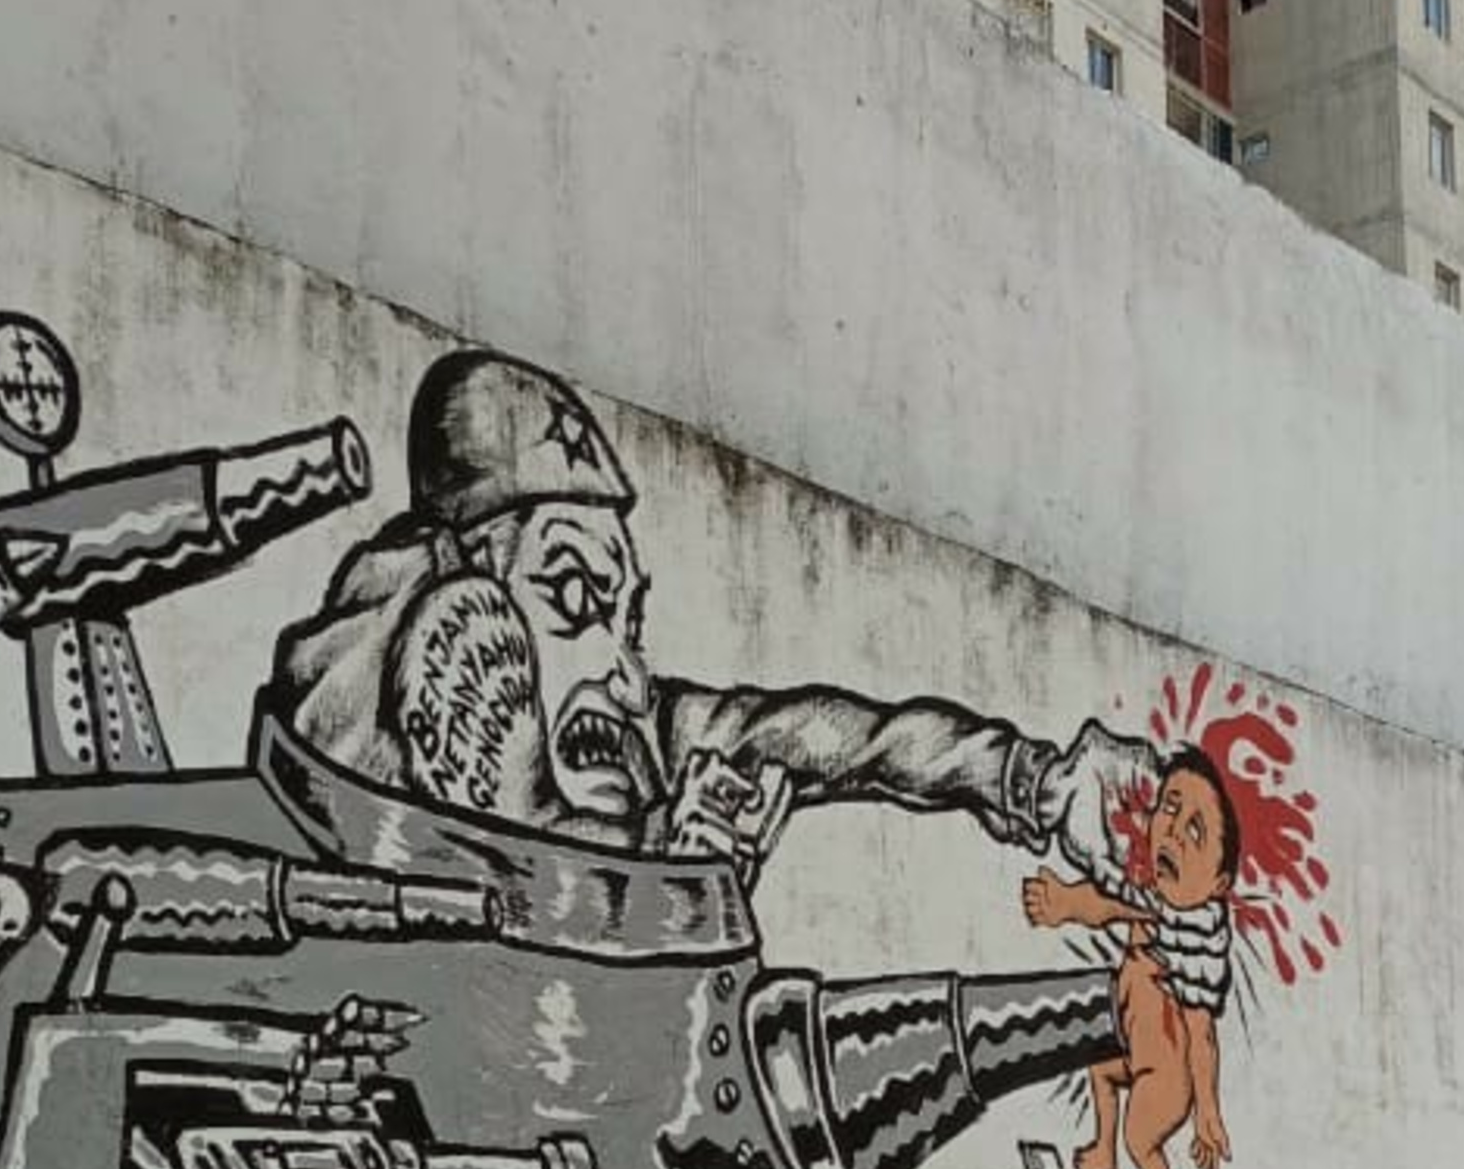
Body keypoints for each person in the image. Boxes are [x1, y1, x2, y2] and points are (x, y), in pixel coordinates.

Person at [270, 347, 1147, 893]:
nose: (624, 676)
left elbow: (833, 738)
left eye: (628, 620)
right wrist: (655, 853)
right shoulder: (396, 694)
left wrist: (1033, 779)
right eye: (573, 597)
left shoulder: (636, 735)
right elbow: (499, 833)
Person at [1021, 748, 1240, 1169]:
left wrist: (1207, 1112)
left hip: (1165, 1078)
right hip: (1132, 1053)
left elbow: (1202, 1037)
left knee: (1140, 1139)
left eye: (1194, 831)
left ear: (1218, 884)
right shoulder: (1151, 905)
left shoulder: (1194, 948)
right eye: (1169, 808)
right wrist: (1064, 902)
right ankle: (1102, 1153)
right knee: (1099, 1065)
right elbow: (1106, 904)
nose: (1173, 833)